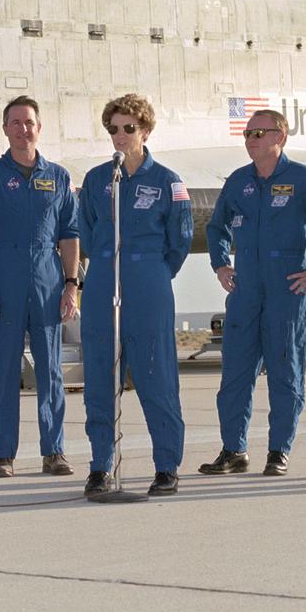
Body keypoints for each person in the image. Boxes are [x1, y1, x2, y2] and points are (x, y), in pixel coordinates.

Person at [200, 108, 306, 477]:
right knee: (234, 375)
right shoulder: (237, 182)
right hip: (246, 288)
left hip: (286, 288)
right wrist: (220, 264)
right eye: (247, 134)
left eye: (259, 133)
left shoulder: (305, 179)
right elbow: (216, 228)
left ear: (280, 137)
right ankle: (234, 449)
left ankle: (278, 451)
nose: (251, 140)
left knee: (285, 373)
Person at [78, 94, 192, 498]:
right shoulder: (97, 179)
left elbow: (180, 239)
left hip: (147, 279)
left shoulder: (167, 181)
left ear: (145, 130)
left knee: (155, 375)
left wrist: (153, 271)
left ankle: (166, 466)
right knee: (99, 378)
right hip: (103, 279)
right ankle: (100, 466)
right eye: (113, 129)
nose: (120, 136)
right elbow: (87, 231)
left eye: (128, 128)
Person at [0, 96, 79, 477]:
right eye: (15, 122)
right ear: (5, 129)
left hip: (48, 281)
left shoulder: (59, 177)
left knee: (51, 370)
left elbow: (68, 234)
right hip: (4, 280)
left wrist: (70, 285)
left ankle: (55, 451)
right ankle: (4, 455)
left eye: (29, 122)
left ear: (39, 127)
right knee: (2, 372)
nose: (22, 128)